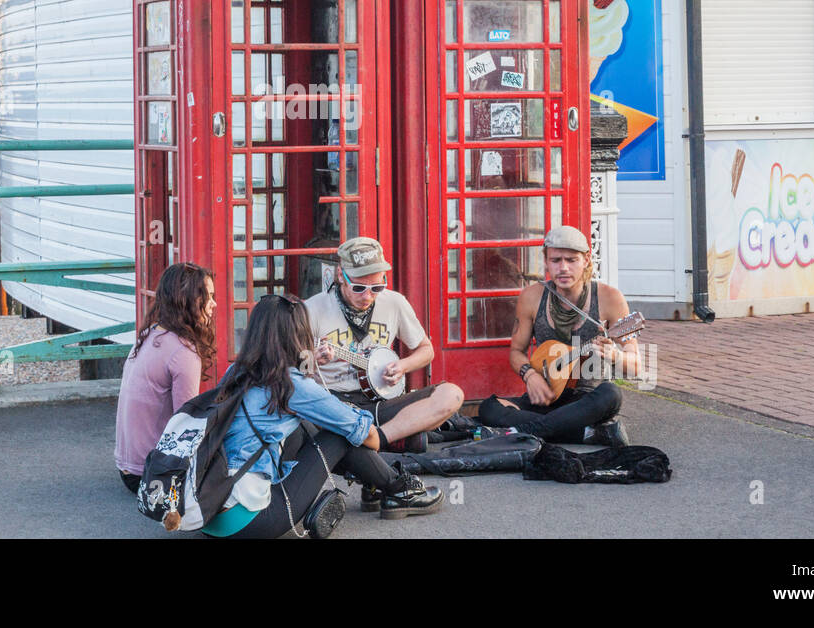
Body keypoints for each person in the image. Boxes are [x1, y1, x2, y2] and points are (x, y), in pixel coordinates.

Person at [202, 292, 443, 538]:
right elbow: (366, 434)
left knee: (301, 426)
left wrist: (308, 364)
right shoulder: (292, 384)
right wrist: (370, 435)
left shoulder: (237, 371)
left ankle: (376, 483)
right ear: (298, 334)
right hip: (250, 524)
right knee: (340, 433)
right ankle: (398, 489)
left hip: (210, 515)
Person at [307, 237, 465, 461]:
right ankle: (397, 437)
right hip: (334, 404)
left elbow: (426, 350)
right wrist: (313, 360)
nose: (368, 296)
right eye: (359, 287)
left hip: (382, 403)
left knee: (452, 395)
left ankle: (377, 439)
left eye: (377, 287)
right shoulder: (313, 309)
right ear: (341, 274)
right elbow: (291, 368)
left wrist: (402, 366)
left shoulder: (394, 302)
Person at [478, 225, 636, 447]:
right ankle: (587, 435)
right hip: (546, 396)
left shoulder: (610, 298)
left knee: (611, 393)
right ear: (545, 261)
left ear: (587, 260)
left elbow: (636, 364)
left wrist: (615, 356)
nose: (563, 268)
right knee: (489, 407)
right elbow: (516, 352)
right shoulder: (532, 297)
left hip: (586, 403)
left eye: (571, 260)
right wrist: (530, 375)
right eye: (556, 260)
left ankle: (519, 431)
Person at [115, 262, 217, 493]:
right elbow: (186, 425)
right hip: (154, 476)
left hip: (129, 469)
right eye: (207, 297)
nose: (214, 304)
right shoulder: (183, 352)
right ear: (187, 300)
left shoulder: (149, 333)